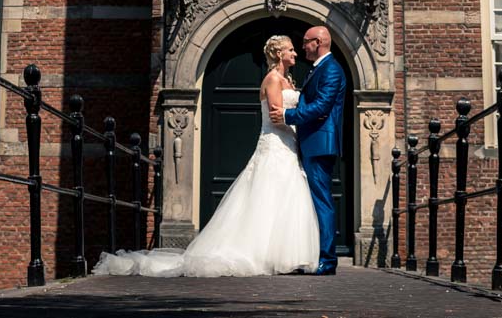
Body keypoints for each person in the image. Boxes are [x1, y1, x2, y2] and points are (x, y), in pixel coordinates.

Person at [92, 34, 318, 277]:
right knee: (269, 194)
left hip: (288, 145)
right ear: (279, 54)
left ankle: (284, 255)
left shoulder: (287, 79)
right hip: (275, 143)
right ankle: (265, 254)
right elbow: (276, 115)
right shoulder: (273, 79)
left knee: (284, 195)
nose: (295, 54)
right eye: (291, 50)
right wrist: (300, 129)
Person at [270, 24, 347, 275]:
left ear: (319, 42)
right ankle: (315, 254)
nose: (303, 46)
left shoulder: (332, 69)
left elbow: (322, 106)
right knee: (313, 201)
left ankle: (327, 260)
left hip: (319, 144)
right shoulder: (319, 69)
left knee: (322, 201)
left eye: (306, 42)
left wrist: (286, 115)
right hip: (310, 143)